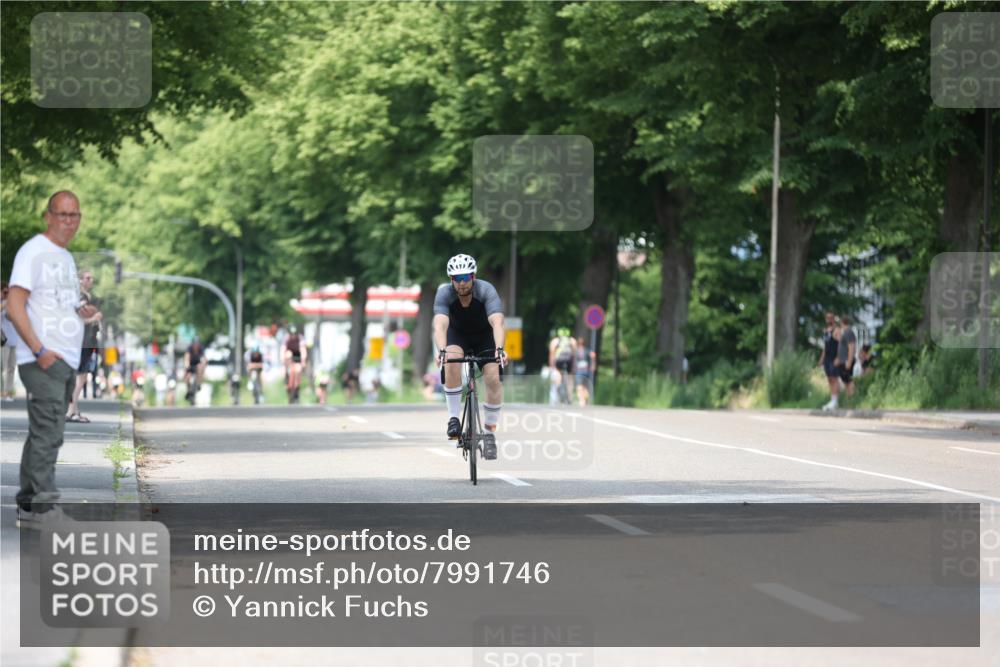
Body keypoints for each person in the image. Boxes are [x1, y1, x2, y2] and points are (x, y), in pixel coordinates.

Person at [7, 190, 97, 528]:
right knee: (48, 432)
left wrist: (80, 310)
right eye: (62, 214)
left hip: (64, 360)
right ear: (48, 216)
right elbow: (16, 305)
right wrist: (40, 351)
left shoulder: (65, 257)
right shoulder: (33, 252)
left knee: (44, 432)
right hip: (44, 357)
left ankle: (30, 506)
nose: (68, 221)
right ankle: (43, 508)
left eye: (74, 215)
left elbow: (59, 303)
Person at [433, 253, 506, 460]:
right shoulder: (444, 294)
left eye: (465, 277)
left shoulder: (486, 290)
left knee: (493, 378)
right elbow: (440, 325)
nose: (462, 283)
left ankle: (490, 432)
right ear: (451, 280)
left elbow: (497, 322)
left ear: (473, 276)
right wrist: (442, 350)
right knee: (451, 359)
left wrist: (499, 349)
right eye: (457, 278)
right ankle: (454, 419)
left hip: (485, 337)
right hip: (458, 336)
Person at [66, 269, 102, 422]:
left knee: (81, 377)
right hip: (82, 340)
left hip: (87, 339)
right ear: (80, 280)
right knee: (80, 377)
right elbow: (77, 318)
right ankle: (70, 412)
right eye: (88, 277)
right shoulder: (80, 296)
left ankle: (74, 410)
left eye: (91, 277)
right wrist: (94, 317)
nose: (91, 280)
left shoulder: (84, 296)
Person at [1, 282, 21, 400]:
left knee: (11, 367)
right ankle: (3, 392)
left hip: (14, 339)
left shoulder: (13, 304)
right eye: (5, 292)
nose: (7, 294)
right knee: (3, 367)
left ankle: (8, 392)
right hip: (3, 340)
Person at [548, 328, 576, 404]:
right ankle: (569, 397)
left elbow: (552, 354)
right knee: (570, 379)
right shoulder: (572, 340)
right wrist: (573, 366)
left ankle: (558, 392)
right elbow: (574, 355)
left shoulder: (555, 341)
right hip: (569, 361)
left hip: (559, 361)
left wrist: (551, 366)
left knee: (558, 377)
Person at [819, 311, 841, 411]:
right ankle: (832, 400)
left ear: (833, 318)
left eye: (830, 317)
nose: (828, 319)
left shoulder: (836, 330)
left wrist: (839, 357)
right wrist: (821, 359)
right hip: (827, 358)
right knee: (829, 378)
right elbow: (825, 346)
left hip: (834, 358)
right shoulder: (826, 331)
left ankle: (835, 401)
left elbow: (841, 345)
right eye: (827, 317)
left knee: (834, 378)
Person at [834, 313, 857, 402]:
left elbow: (852, 347)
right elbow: (841, 343)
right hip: (843, 361)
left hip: (847, 361)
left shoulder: (849, 332)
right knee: (845, 381)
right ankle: (848, 400)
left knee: (849, 380)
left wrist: (849, 361)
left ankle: (851, 399)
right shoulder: (845, 333)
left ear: (842, 322)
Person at [283, 325, 305, 403]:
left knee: (298, 370)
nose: (293, 335)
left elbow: (303, 350)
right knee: (286, 372)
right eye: (291, 334)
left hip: (297, 357)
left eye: (294, 334)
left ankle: (296, 389)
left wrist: (303, 361)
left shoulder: (300, 338)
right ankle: (288, 387)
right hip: (289, 358)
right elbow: (283, 350)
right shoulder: (286, 338)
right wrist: (283, 361)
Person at [574, 336, 596, 407]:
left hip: (581, 371)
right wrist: (593, 365)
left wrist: (593, 365)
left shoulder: (577, 351)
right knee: (583, 386)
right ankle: (583, 400)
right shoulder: (586, 350)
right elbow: (593, 355)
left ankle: (582, 400)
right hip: (584, 370)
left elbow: (593, 355)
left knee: (580, 387)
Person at [183, 339, 206, 403]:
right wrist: (187, 366)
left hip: (198, 364)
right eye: (195, 344)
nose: (196, 346)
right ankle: (188, 390)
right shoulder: (189, 349)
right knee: (187, 377)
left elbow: (204, 358)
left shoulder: (201, 349)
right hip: (191, 364)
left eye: (197, 344)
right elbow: (186, 357)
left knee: (200, 368)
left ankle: (199, 383)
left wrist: (203, 365)